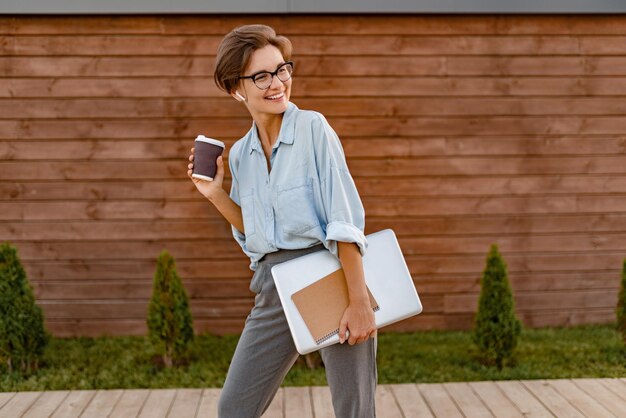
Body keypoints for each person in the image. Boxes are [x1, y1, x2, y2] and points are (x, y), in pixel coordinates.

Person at [186, 24, 377, 418]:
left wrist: (359, 301)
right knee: (234, 408)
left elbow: (342, 219)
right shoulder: (240, 154)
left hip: (331, 277)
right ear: (234, 88)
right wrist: (215, 194)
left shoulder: (312, 128)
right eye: (261, 76)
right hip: (274, 286)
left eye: (282, 70)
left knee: (354, 409)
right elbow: (255, 231)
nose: (277, 84)